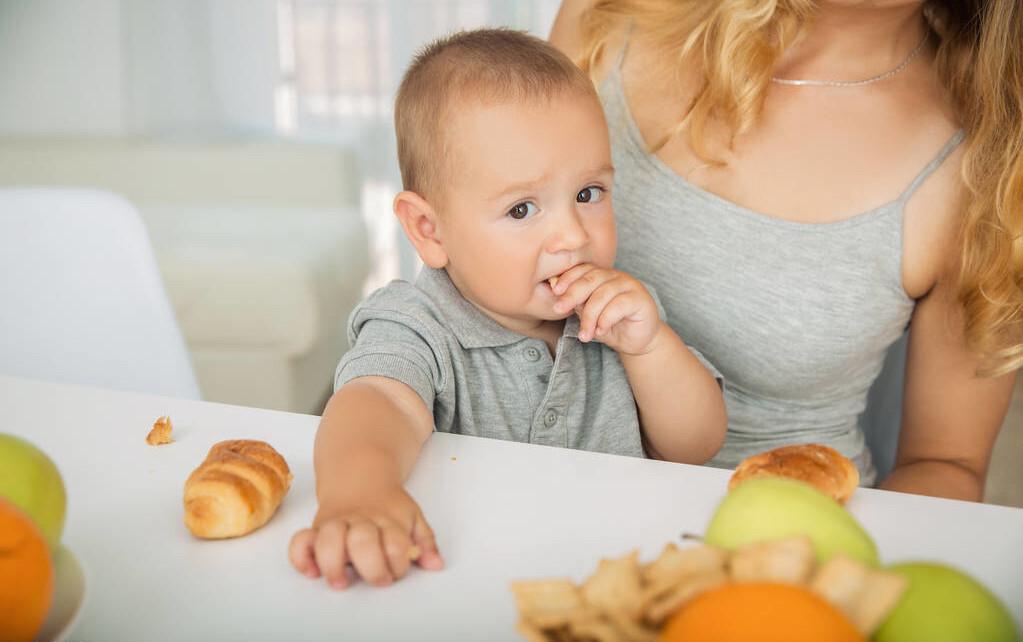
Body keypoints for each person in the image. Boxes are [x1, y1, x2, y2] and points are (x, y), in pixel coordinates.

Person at [288, 28, 727, 590]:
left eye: (589, 193)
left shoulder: (619, 313)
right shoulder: (417, 325)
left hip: (617, 579)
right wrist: (361, 495)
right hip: (462, 578)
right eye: (522, 209)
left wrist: (651, 347)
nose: (571, 234)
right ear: (429, 230)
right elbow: (376, 406)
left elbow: (697, 447)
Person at [549, 0, 1022, 501]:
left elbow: (944, 463)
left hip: (781, 544)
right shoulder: (609, 14)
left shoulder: (986, 173)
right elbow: (468, 235)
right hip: (528, 495)